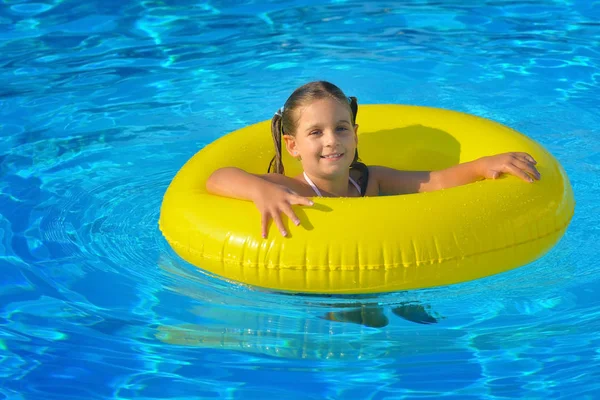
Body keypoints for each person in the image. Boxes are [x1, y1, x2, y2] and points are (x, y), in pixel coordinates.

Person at [206, 80, 541, 239]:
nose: (331, 141)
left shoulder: (370, 180)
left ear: (354, 133)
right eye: (316, 133)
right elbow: (218, 177)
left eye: (340, 129)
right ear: (292, 146)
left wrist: (483, 165)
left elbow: (434, 181)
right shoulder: (290, 188)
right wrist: (259, 191)